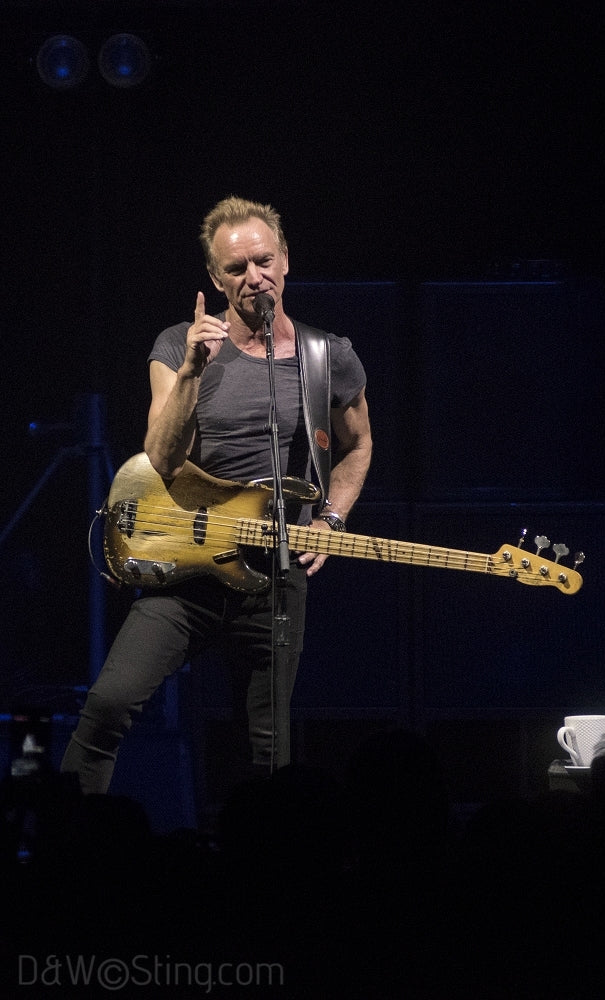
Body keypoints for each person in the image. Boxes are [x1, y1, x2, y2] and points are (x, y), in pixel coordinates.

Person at [61, 195, 372, 801]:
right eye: (236, 268)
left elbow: (357, 445)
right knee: (108, 704)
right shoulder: (178, 345)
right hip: (189, 568)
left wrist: (332, 517)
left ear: (285, 262)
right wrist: (192, 374)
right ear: (215, 278)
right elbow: (162, 457)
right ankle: (71, 842)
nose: (252, 277)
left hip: (274, 573)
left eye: (262, 261)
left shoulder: (326, 355)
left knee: (270, 747)